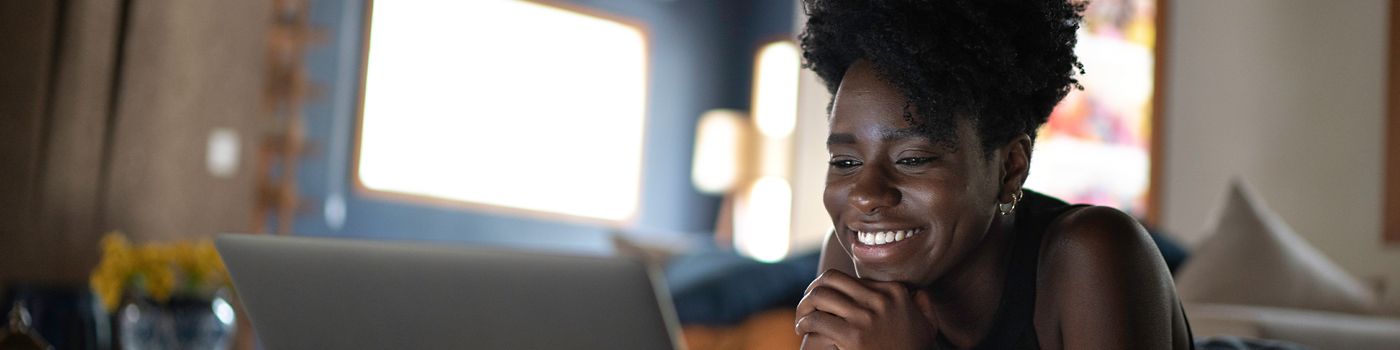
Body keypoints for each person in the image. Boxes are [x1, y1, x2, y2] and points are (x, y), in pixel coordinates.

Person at [792, 0, 1193, 348]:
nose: (866, 195)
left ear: (1010, 167)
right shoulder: (853, 256)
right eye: (845, 162)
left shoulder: (1093, 253)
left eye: (912, 159)